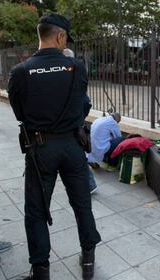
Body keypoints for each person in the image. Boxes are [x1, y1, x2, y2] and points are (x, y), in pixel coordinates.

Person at [8, 13, 101, 280]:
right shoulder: (77, 67)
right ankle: (88, 261)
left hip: (41, 150)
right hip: (73, 147)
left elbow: (20, 113)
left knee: (36, 212)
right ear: (60, 37)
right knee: (82, 204)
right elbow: (83, 105)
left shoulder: (21, 72)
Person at [63, 48, 97, 193]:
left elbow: (85, 101)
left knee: (78, 158)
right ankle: (87, 184)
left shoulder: (70, 75)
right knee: (77, 157)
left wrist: (78, 119)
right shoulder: (75, 73)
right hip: (73, 124)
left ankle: (89, 184)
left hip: (71, 126)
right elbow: (86, 102)